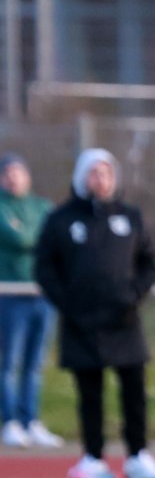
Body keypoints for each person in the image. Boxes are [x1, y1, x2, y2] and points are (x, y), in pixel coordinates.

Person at [34, 149, 155, 478]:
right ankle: (92, 458)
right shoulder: (61, 219)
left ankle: (138, 456)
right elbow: (45, 268)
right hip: (81, 322)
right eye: (94, 173)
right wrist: (69, 303)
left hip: (124, 320)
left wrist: (132, 295)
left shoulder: (130, 216)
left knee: (134, 390)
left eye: (107, 173)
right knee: (90, 394)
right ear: (82, 178)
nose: (101, 180)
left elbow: (149, 264)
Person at [0, 154, 63, 449]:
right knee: (8, 362)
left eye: (18, 172)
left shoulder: (42, 206)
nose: (13, 178)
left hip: (42, 295)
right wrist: (35, 234)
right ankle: (9, 422)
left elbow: (55, 240)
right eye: (7, 173)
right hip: (10, 294)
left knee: (34, 364)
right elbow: (20, 240)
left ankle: (30, 421)